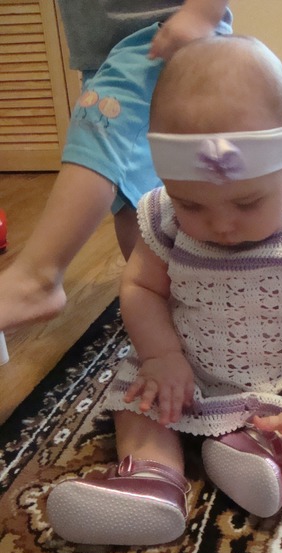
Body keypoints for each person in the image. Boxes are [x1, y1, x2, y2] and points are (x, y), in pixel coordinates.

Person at [47, 35, 282, 546]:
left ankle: (263, 451)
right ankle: (152, 476)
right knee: (139, 396)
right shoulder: (164, 215)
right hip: (190, 373)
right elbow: (141, 286)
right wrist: (162, 356)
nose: (221, 224)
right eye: (192, 204)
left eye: (248, 203)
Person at [0, 0, 231, 332]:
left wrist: (201, 13)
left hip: (162, 32)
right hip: (100, 53)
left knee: (99, 127)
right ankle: (168, 311)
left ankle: (37, 278)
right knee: (134, 198)